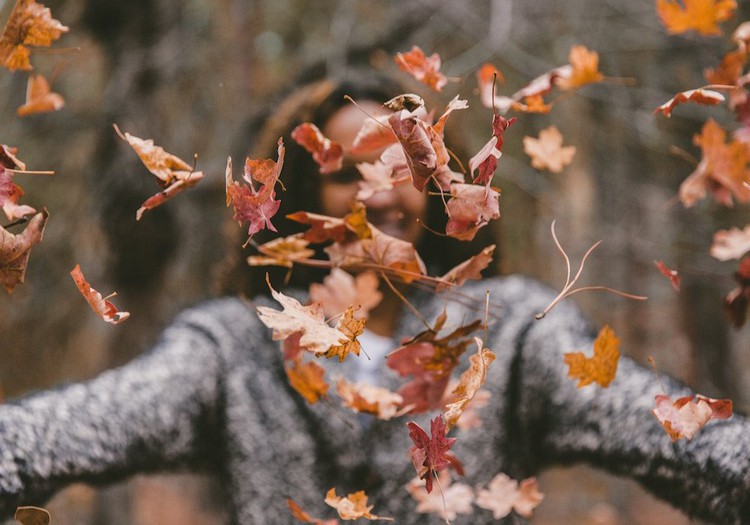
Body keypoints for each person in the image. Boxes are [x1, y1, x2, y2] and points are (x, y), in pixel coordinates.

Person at [1, 71, 749, 525]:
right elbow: (80, 425)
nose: (375, 194)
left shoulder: (511, 331)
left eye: (399, 166)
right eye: (344, 172)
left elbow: (678, 440)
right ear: (300, 198)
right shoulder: (235, 346)